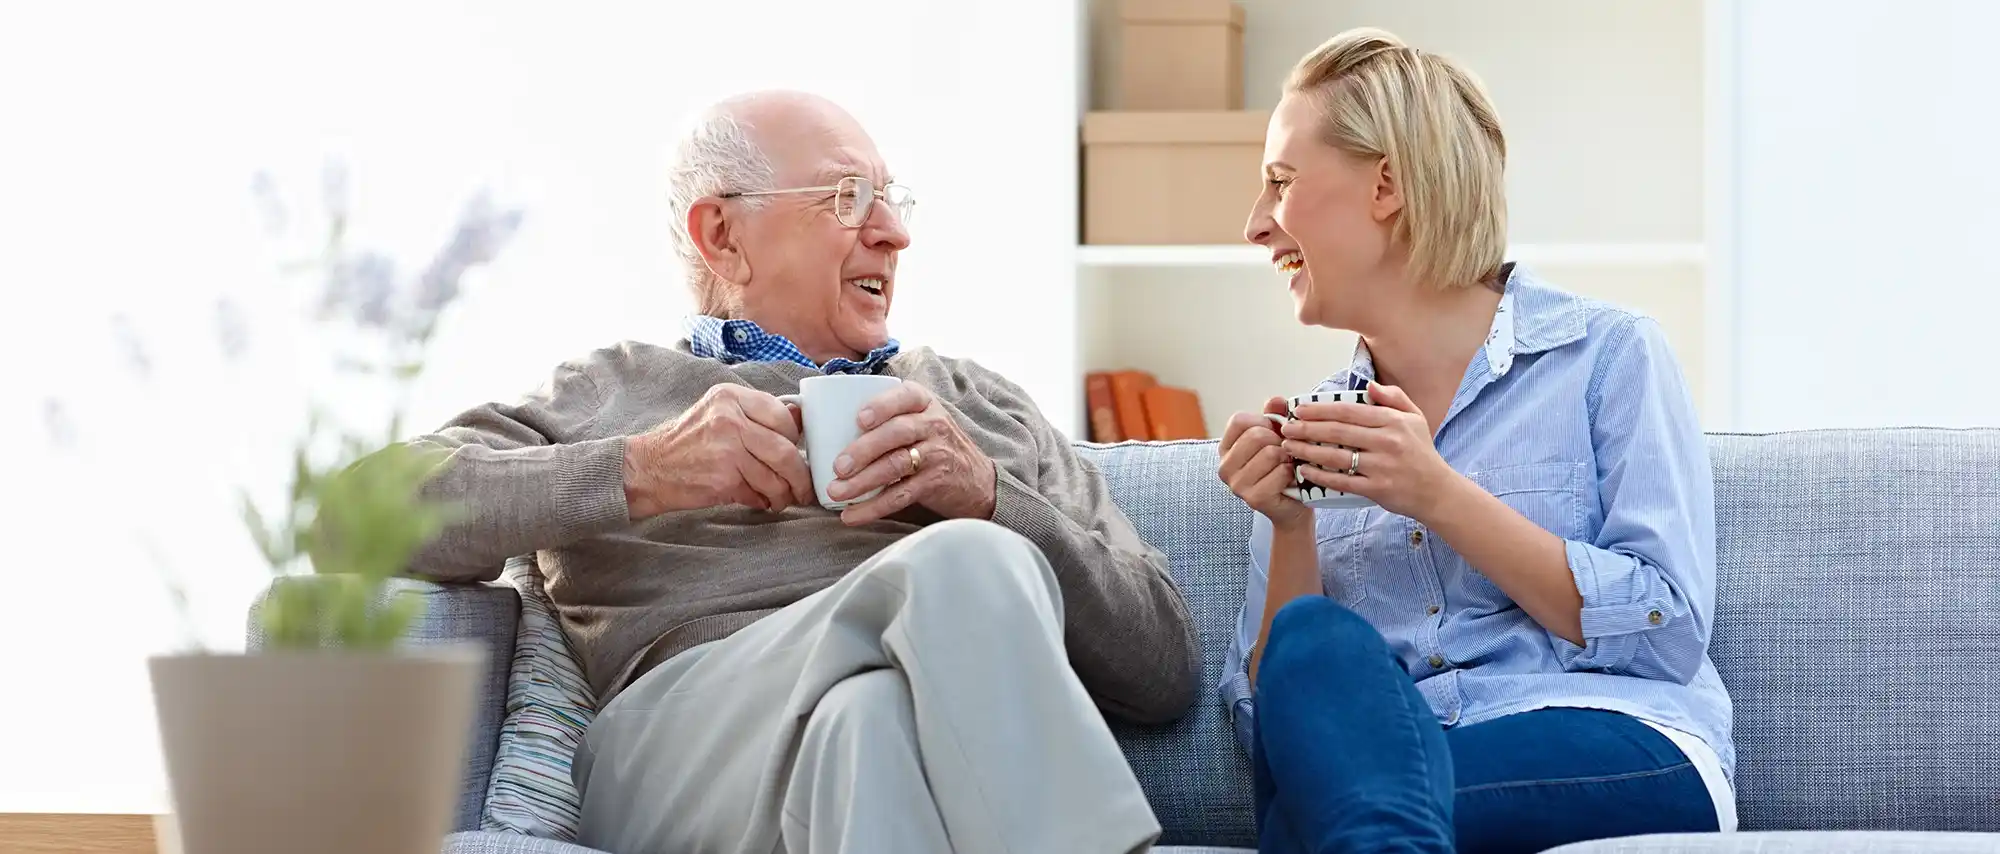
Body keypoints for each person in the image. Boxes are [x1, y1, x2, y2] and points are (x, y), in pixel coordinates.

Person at [396, 90, 1198, 854]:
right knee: (963, 566)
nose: (892, 233)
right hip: (678, 746)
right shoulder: (612, 389)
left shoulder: (981, 410)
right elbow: (355, 513)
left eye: (891, 199)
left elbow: (1163, 667)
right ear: (722, 235)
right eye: (847, 197)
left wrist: (989, 497)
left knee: (868, 723)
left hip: (869, 737)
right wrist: (645, 469)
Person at [1215, 28, 1737, 854]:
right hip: (1401, 755)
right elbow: (1271, 727)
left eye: (1280, 184)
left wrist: (1437, 494)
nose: (1254, 225)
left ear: (1385, 184)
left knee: (1310, 826)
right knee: (1312, 647)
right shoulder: (1315, 433)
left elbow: (1665, 630)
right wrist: (1289, 526)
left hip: (1609, 734)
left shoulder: (1609, 357)